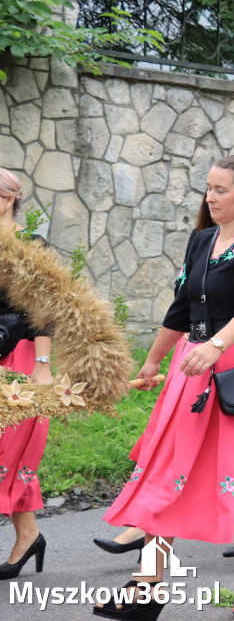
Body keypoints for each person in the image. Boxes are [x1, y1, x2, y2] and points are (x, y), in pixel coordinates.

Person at [97, 155, 234, 621]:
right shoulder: (202, 239)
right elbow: (182, 306)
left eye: (221, 189)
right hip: (194, 369)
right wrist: (151, 360)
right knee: (166, 471)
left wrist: (219, 344)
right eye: (208, 188)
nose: (211, 197)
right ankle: (147, 585)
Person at [0, 169, 54, 581]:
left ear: (7, 200)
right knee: (11, 458)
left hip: (17, 358)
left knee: (8, 450)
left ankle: (27, 536)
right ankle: (29, 534)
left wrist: (42, 367)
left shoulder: (30, 246)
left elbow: (43, 314)